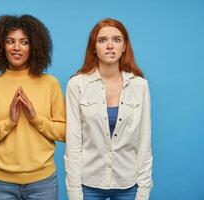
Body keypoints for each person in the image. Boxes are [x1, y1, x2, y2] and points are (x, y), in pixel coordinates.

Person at [0, 14, 66, 200]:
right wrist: (9, 122)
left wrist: (35, 118)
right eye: (10, 41)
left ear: (34, 46)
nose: (16, 47)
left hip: (43, 182)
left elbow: (65, 133)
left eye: (24, 42)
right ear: (1, 46)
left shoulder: (49, 83)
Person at [65, 18, 153, 200]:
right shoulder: (77, 84)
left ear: (124, 47)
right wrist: (74, 193)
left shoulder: (140, 86)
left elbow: (144, 142)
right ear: (94, 48)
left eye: (117, 40)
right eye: (102, 40)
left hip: (128, 183)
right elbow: (73, 144)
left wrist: (143, 191)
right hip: (88, 183)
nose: (110, 46)